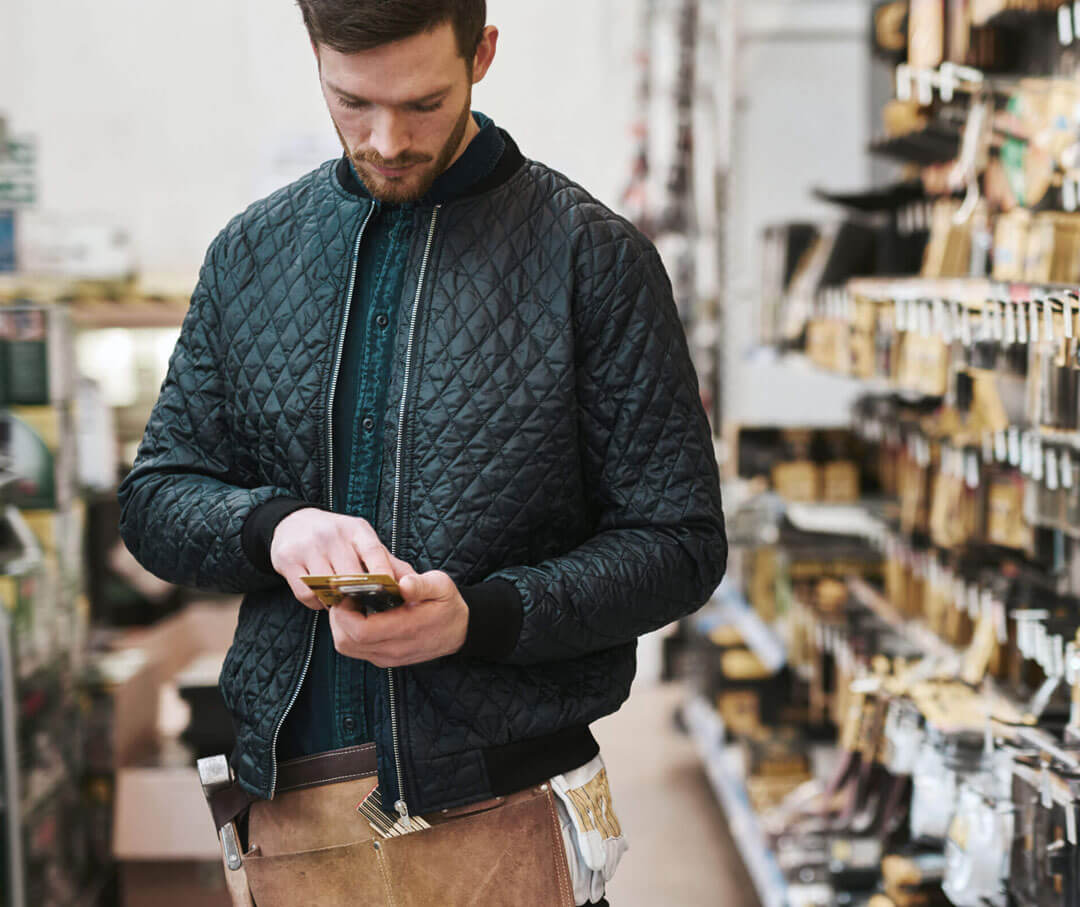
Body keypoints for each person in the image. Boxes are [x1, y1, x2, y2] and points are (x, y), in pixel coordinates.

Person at [118, 1, 727, 904]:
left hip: (508, 809)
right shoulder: (250, 255)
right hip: (290, 814)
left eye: (423, 104)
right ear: (316, 57)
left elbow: (679, 544)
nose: (388, 138)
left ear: (481, 53)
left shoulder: (593, 261)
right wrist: (274, 529)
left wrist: (478, 617)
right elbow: (156, 496)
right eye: (351, 101)